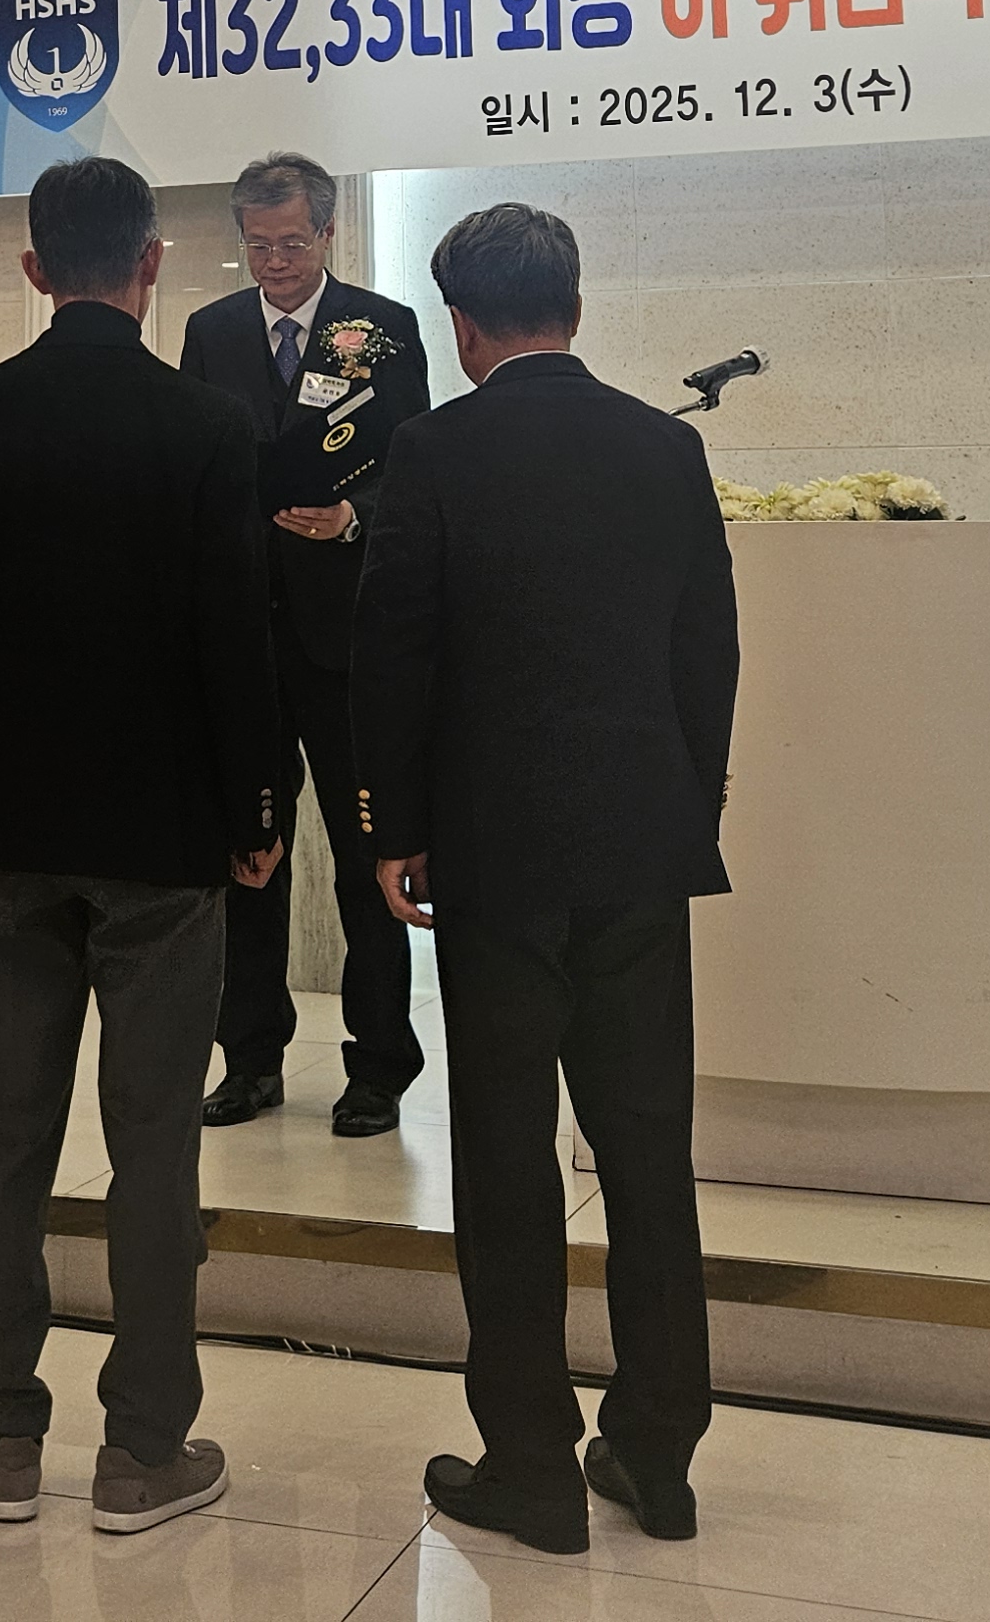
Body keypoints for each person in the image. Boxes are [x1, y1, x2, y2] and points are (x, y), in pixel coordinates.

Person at [0, 155, 284, 1537]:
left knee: (3, 1136)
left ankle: (4, 1436)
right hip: (163, 839)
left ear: (32, 269)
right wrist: (256, 810)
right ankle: (142, 1451)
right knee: (153, 1145)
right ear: (151, 265)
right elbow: (236, 634)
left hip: (5, 830)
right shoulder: (206, 424)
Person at [354, 201, 738, 1557]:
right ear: (573, 306)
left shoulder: (432, 449)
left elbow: (394, 652)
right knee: (648, 1154)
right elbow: (708, 651)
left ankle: (530, 1462)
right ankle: (659, 1452)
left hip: (495, 856)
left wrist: (395, 827)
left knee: (507, 1158)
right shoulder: (664, 446)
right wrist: (687, 806)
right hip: (640, 850)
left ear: (462, 325)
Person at [176, 150, 432, 1136]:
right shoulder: (211, 331)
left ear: (327, 232)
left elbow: (413, 470)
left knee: (368, 854)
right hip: (246, 633)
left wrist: (352, 518)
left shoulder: (381, 328)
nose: (274, 262)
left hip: (346, 637)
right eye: (257, 245)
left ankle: (379, 1064)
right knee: (250, 853)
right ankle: (249, 1057)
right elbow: (197, 468)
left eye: (290, 243)